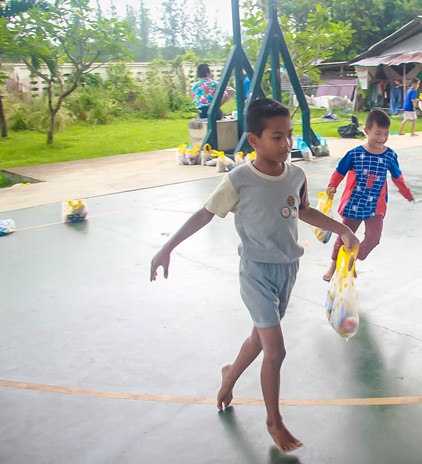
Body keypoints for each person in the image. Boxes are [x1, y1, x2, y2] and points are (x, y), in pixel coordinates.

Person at [150, 98, 359, 453]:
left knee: (260, 340)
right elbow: (205, 214)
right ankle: (273, 421)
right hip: (255, 273)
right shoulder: (240, 180)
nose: (287, 144)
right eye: (277, 137)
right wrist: (168, 247)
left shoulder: (296, 174)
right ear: (253, 140)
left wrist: (343, 230)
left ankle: (230, 374)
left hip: (287, 269)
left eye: (290, 135)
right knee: (275, 350)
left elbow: (304, 211)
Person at [323, 109, 415, 281]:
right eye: (378, 133)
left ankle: (351, 260)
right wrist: (332, 186)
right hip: (354, 203)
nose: (382, 138)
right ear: (366, 131)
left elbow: (397, 176)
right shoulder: (355, 153)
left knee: (374, 238)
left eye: (386, 134)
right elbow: (339, 171)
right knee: (344, 236)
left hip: (375, 206)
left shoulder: (390, 155)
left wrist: (406, 193)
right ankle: (333, 267)